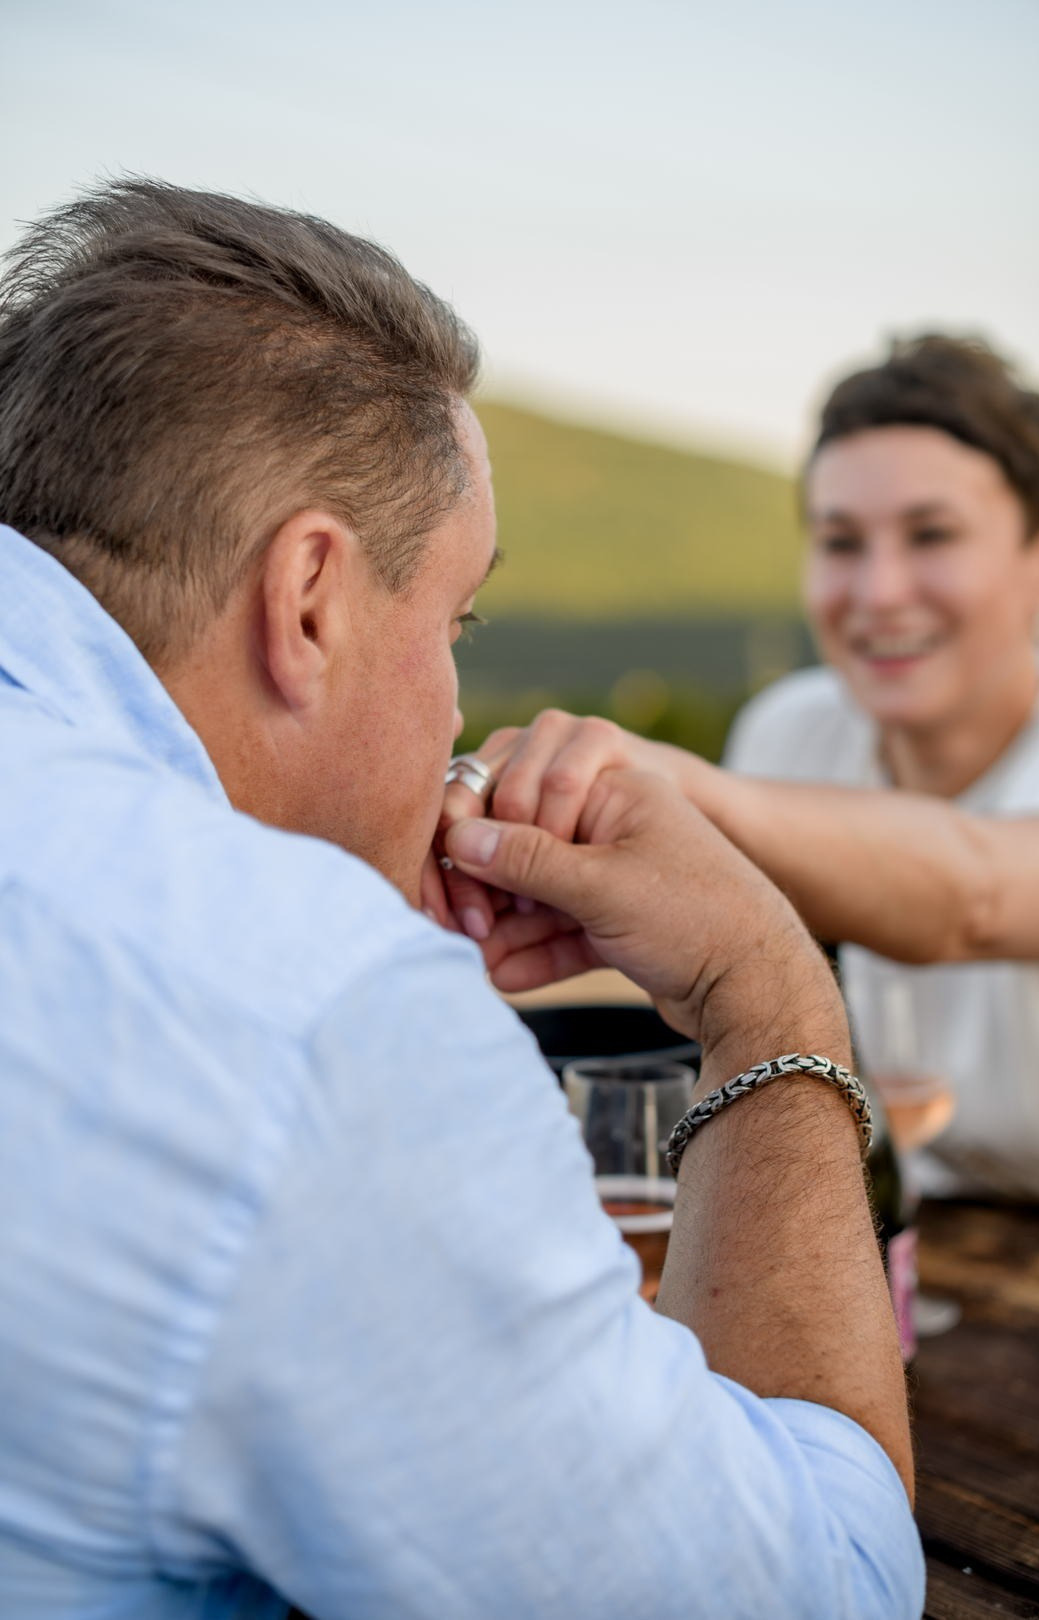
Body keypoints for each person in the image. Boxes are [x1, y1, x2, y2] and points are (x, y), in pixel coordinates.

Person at [0, 180, 920, 1619]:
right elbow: (825, 1585)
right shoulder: (301, 1006)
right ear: (310, 599)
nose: (454, 707)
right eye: (456, 619)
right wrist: (764, 984)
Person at [443, 336, 1039, 1212]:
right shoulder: (792, 731)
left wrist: (679, 785)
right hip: (910, 1235)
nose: (880, 591)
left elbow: (976, 893)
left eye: (932, 535)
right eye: (841, 542)